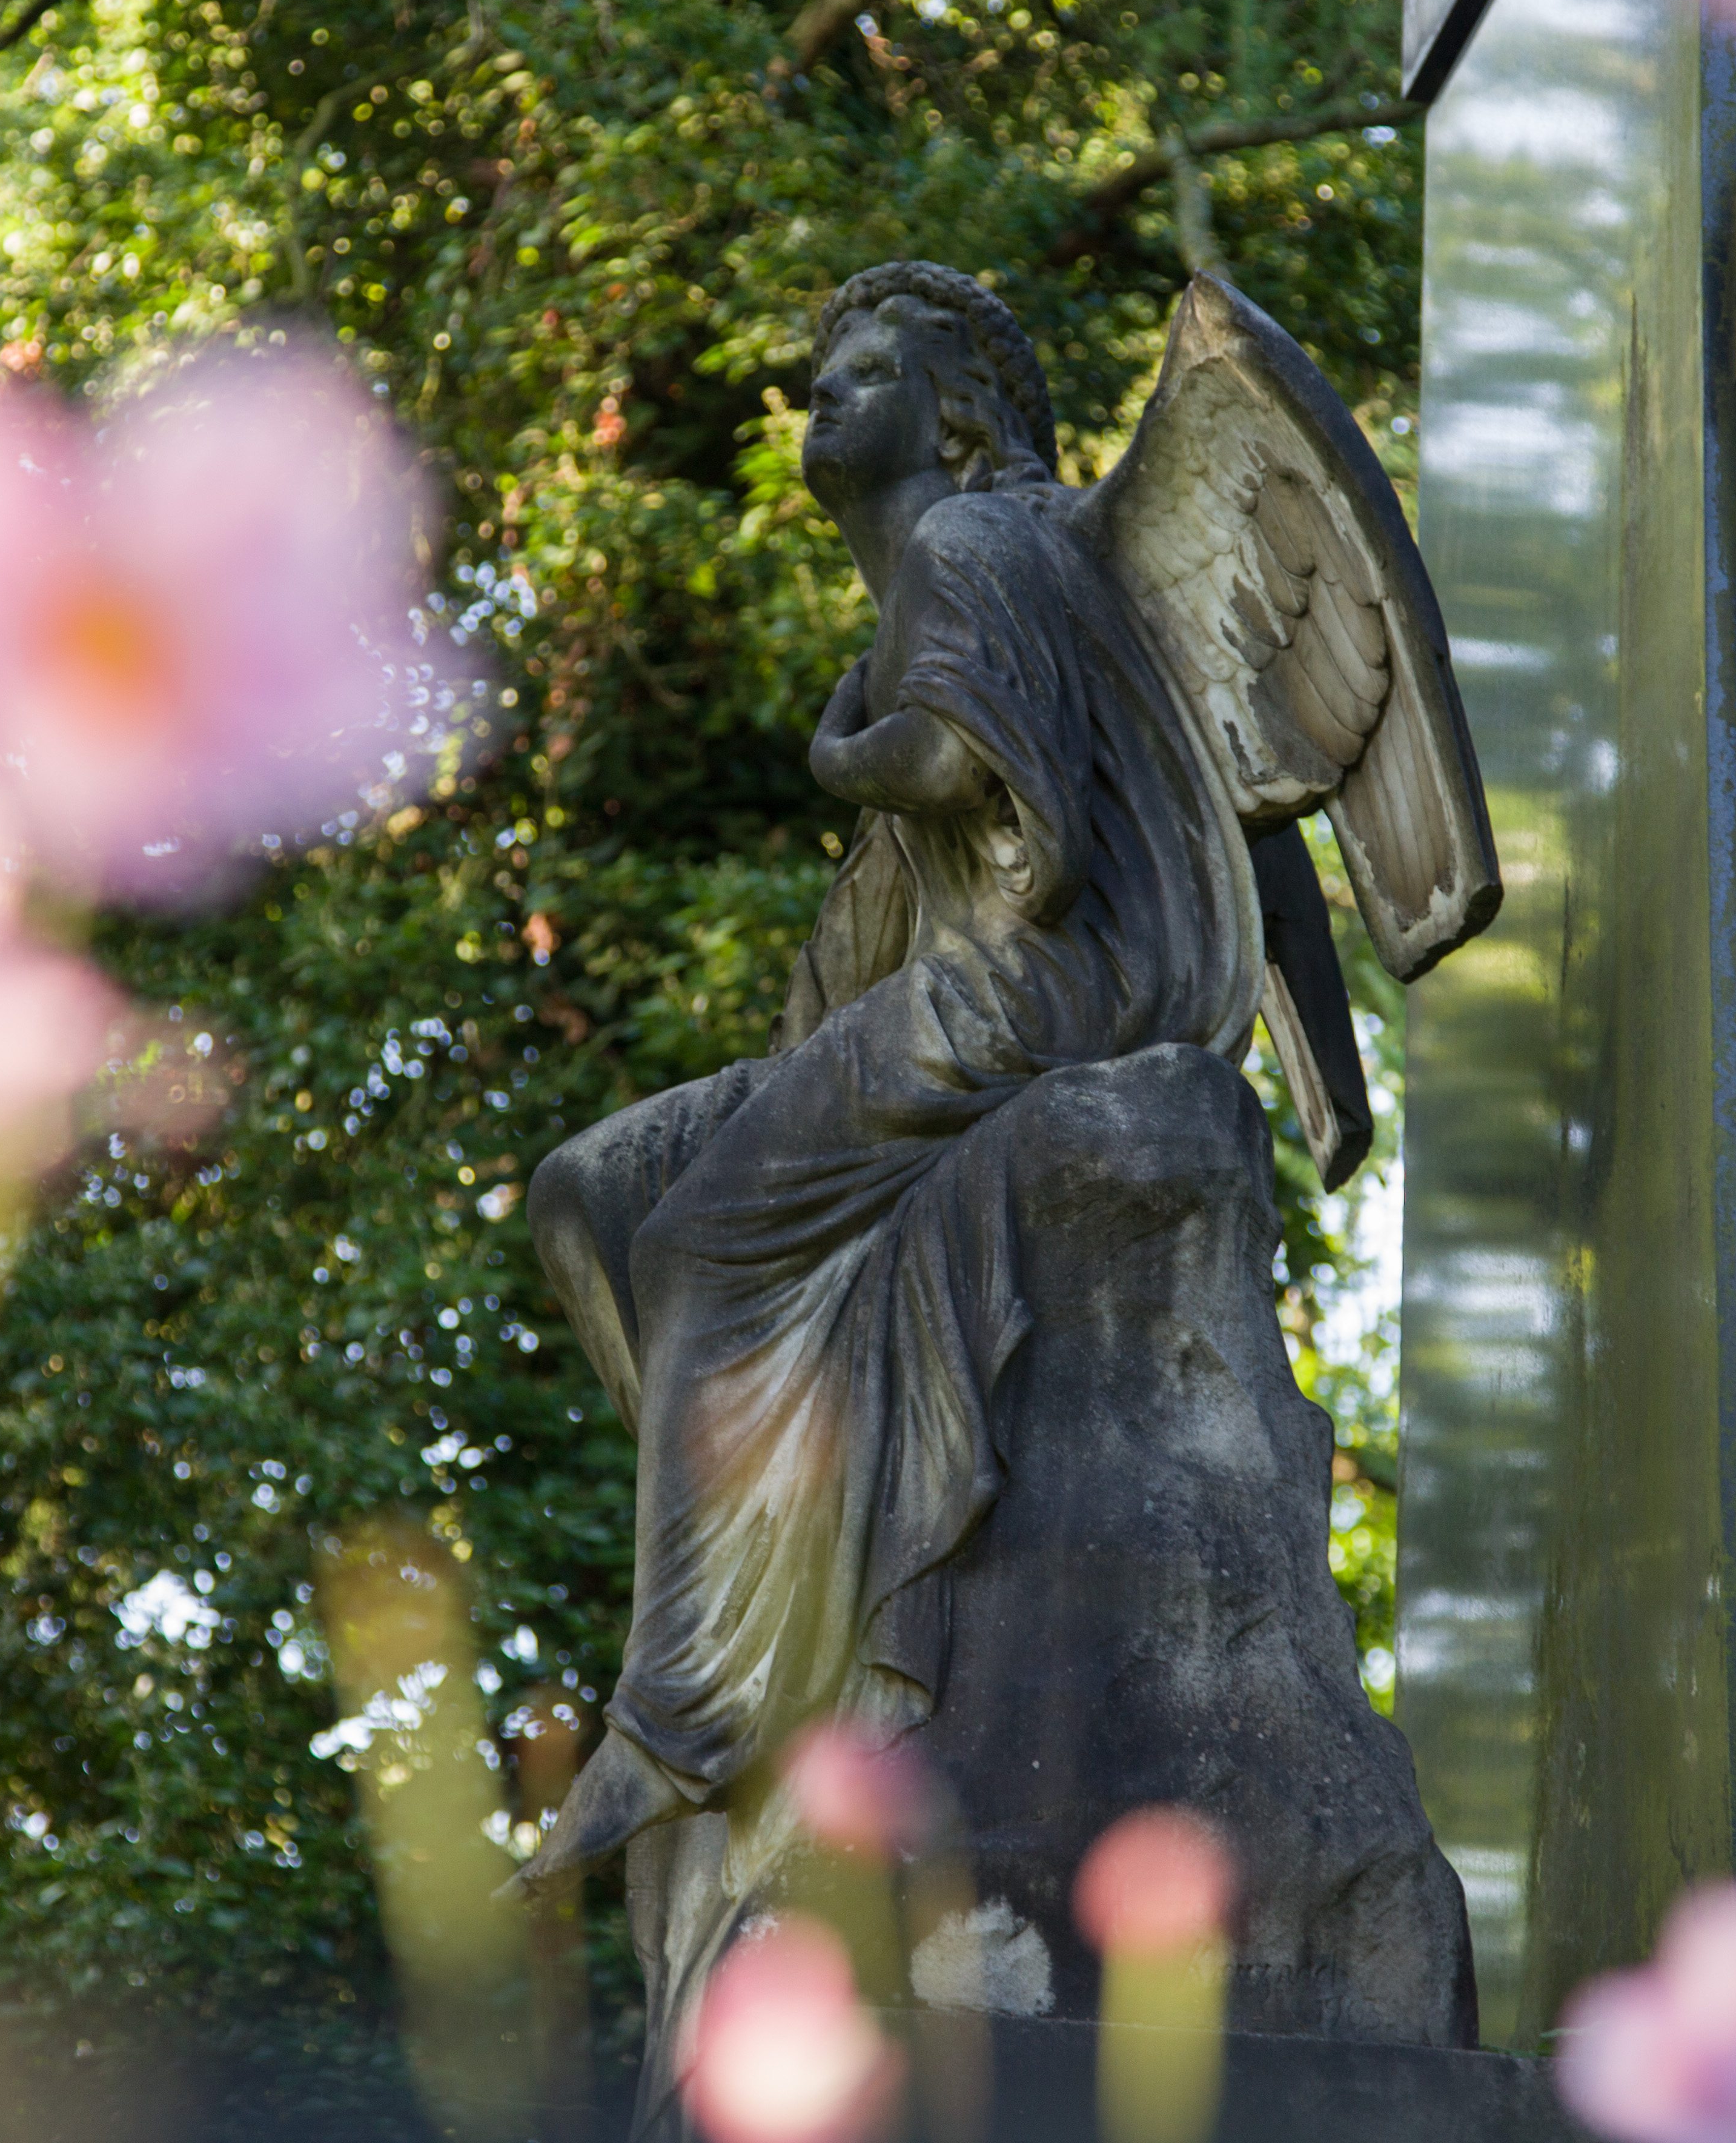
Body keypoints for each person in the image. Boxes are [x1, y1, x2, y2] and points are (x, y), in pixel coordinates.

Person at [518, 261, 1261, 1906]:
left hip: (1038, 989)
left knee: (699, 1246)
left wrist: (837, 751)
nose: (822, 399)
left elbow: (953, 768)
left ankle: (685, 1717)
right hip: (974, 978)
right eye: (821, 372)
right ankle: (760, 1548)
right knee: (592, 1191)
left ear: (962, 412)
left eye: (863, 372)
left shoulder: (970, 541)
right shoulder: (966, 570)